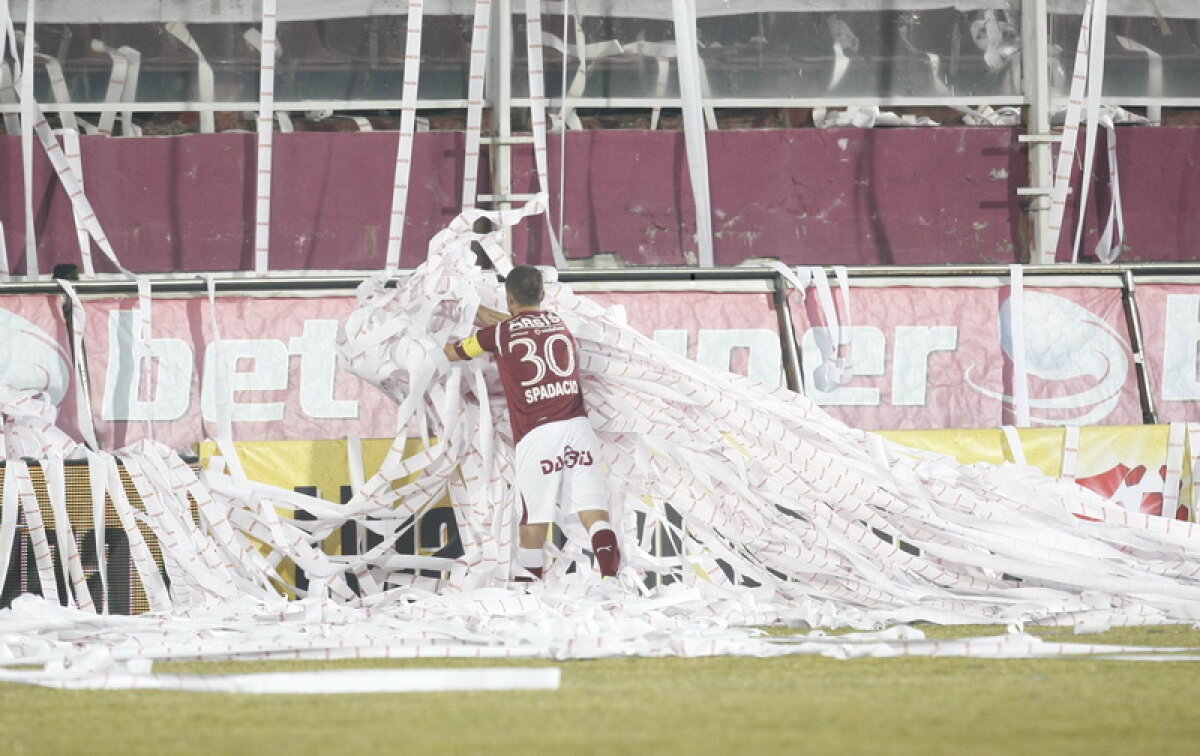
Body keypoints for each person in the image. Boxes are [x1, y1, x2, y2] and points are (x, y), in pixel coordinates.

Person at [443, 265, 621, 581]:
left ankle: (528, 588)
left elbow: (454, 352)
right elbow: (522, 325)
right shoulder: (558, 322)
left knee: (534, 520)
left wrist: (452, 319)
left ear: (509, 298)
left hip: (538, 433)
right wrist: (486, 312)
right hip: (578, 427)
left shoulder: (499, 334)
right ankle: (611, 580)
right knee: (594, 512)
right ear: (542, 294)